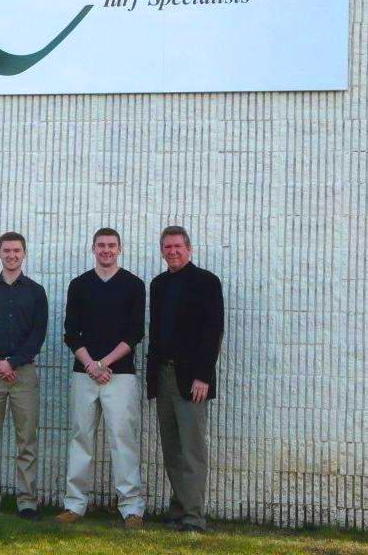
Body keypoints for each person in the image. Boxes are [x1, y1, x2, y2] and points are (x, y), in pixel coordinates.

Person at [57, 227, 146, 529]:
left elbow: (135, 333)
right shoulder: (79, 285)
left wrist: (104, 363)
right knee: (81, 439)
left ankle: (132, 508)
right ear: (92, 248)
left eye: (111, 245)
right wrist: (91, 365)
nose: (106, 250)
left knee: (123, 440)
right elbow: (71, 332)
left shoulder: (133, 285)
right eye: (101, 245)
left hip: (120, 376)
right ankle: (75, 505)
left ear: (120, 248)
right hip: (85, 375)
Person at [146, 225, 224, 533]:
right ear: (162, 251)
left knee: (191, 449)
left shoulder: (206, 282)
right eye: (167, 247)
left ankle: (194, 517)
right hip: (163, 375)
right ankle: (178, 508)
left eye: (178, 246)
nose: (172, 251)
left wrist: (204, 375)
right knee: (171, 447)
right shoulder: (159, 284)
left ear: (188, 248)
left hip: (192, 378)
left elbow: (213, 330)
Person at [0, 232, 48, 520]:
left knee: (26, 439)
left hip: (24, 374)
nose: (11, 255)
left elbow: (38, 333)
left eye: (16, 250)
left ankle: (27, 502)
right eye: (7, 250)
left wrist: (13, 362)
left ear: (24, 254)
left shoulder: (35, 292)